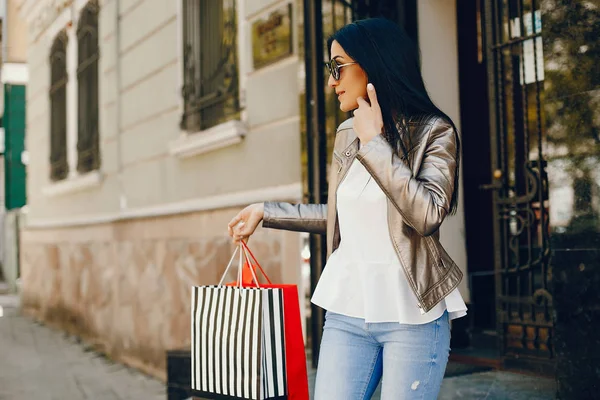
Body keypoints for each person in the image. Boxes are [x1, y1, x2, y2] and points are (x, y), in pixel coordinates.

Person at [228, 17, 467, 400]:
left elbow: (426, 215)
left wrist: (375, 143)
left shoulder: (435, 132)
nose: (331, 81)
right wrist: (265, 211)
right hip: (349, 311)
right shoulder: (345, 133)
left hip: (413, 315)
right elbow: (343, 215)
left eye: (336, 67)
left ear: (375, 63)